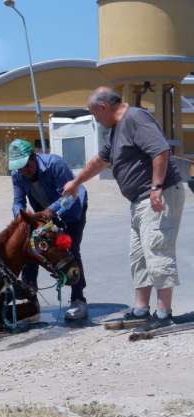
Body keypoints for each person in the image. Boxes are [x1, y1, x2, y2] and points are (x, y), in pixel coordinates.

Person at [63, 87, 185, 330]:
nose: (96, 120)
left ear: (103, 107)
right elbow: (100, 161)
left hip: (159, 196)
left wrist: (156, 187)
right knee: (138, 256)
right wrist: (76, 182)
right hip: (139, 201)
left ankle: (164, 315)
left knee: (157, 250)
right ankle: (140, 309)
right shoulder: (115, 130)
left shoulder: (135, 118)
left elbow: (160, 150)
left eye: (94, 114)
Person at [9, 139, 89, 320]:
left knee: (70, 249)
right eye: (19, 168)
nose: (24, 171)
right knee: (31, 250)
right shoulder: (16, 175)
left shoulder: (55, 164)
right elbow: (18, 202)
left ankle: (78, 299)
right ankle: (30, 301)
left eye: (26, 166)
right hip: (44, 213)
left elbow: (70, 196)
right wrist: (20, 217)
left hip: (72, 209)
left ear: (34, 157)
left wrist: (51, 211)